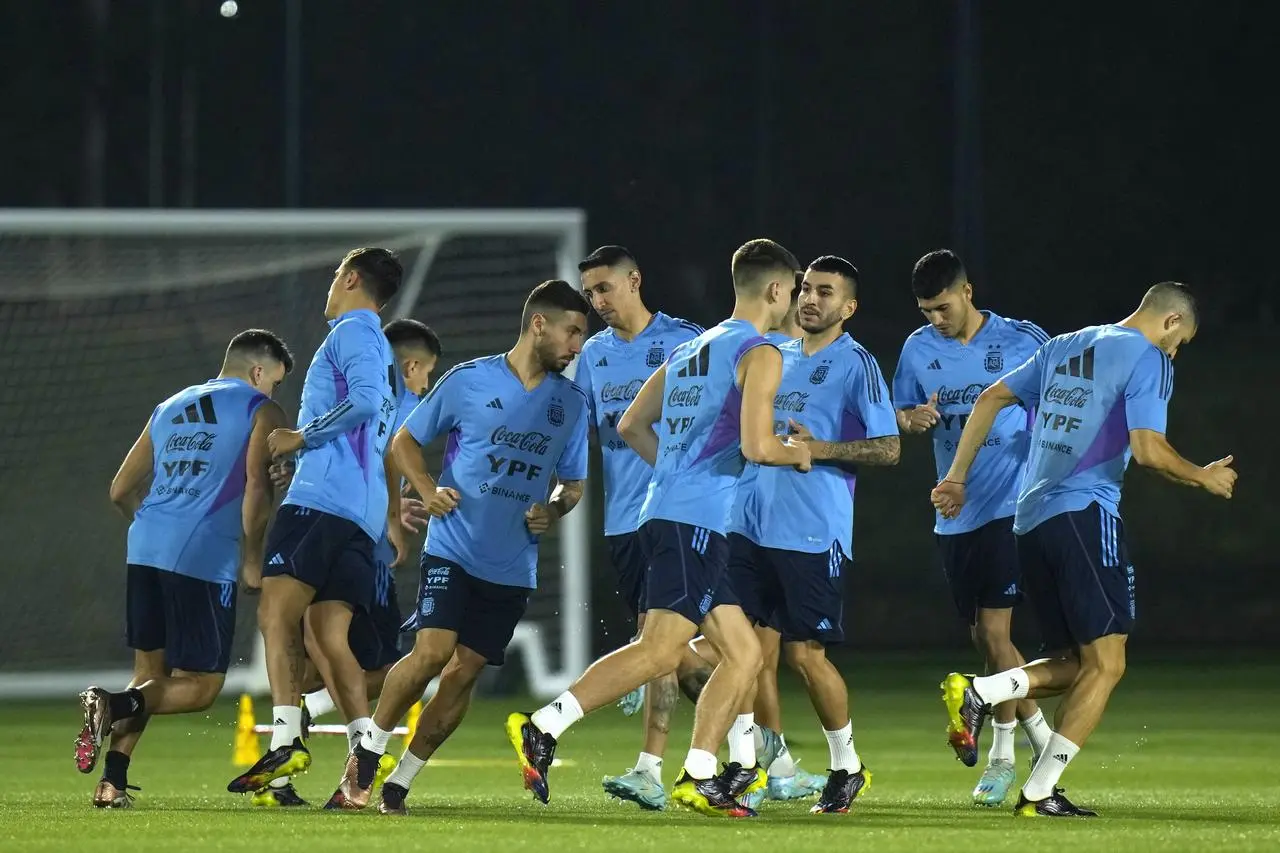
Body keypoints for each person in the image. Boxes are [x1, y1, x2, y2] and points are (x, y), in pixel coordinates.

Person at [507, 238, 810, 819]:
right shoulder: (759, 352)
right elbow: (756, 445)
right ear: (777, 290)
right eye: (792, 290)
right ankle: (545, 725)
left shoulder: (695, 346)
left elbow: (630, 424)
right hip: (692, 520)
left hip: (666, 512)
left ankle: (701, 774)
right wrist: (797, 452)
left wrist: (677, 471)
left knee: (743, 653)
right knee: (661, 650)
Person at [931, 282, 1236, 817]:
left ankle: (987, 697)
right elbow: (1149, 450)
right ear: (1170, 323)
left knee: (1077, 662)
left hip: (1029, 521)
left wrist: (956, 477)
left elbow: (990, 398)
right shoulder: (1149, 357)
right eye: (1180, 341)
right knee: (1109, 663)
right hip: (1084, 513)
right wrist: (1202, 477)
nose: (1175, 352)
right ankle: (1037, 786)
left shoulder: (1063, 344)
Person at [339, 279, 591, 814]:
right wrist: (427, 491)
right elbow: (403, 441)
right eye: (572, 332)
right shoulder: (469, 380)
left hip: (513, 565)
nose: (577, 346)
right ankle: (367, 755)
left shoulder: (570, 403)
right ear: (538, 324)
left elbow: (572, 486)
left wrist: (554, 508)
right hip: (453, 549)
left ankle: (399, 784)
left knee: (466, 670)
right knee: (431, 652)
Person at [74, 330, 294, 807]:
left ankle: (112, 782)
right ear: (259, 372)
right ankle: (110, 704)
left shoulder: (169, 406)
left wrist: (160, 528)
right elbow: (256, 490)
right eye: (275, 381)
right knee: (200, 689)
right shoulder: (261, 410)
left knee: (150, 675)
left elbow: (120, 491)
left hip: (145, 545)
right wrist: (251, 562)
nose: (274, 392)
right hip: (203, 554)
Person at [227, 248, 408, 798]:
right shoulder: (383, 352)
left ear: (351, 278)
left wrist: (300, 439)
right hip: (359, 512)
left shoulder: (352, 333)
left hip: (321, 503)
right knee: (330, 638)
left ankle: (286, 739)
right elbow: (385, 429)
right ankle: (362, 757)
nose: (330, 286)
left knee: (276, 615)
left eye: (335, 276)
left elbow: (362, 403)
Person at [725, 255, 899, 813]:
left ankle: (846, 765)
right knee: (738, 652)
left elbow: (889, 448)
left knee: (805, 657)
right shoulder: (771, 355)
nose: (810, 299)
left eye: (825, 292)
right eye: (805, 288)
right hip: (748, 526)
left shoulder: (856, 365)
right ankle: (742, 768)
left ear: (848, 307)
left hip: (811, 533)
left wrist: (816, 449)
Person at [254, 318, 441, 807]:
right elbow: (378, 459)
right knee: (337, 644)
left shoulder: (379, 396)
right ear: (412, 365)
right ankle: (340, 756)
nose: (425, 387)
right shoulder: (399, 401)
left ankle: (294, 732)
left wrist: (396, 511)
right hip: (363, 538)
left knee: (311, 637)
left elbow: (374, 458)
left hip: (347, 524)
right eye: (425, 376)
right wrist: (394, 513)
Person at [890, 249, 1054, 805]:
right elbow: (899, 417)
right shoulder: (917, 348)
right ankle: (1039, 740)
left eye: (942, 307)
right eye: (926, 310)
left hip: (1011, 503)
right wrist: (909, 420)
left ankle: (1006, 756)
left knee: (997, 634)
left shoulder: (1021, 339)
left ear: (968, 291)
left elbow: (1061, 401)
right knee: (984, 637)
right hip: (953, 511)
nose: (935, 318)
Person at [572, 245, 712, 810]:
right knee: (673, 651)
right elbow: (576, 435)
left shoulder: (687, 341)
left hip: (685, 514)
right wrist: (563, 490)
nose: (598, 301)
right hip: (626, 523)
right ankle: (757, 747)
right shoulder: (592, 357)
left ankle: (653, 768)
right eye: (589, 294)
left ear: (635, 280)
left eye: (605, 287)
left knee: (665, 647)